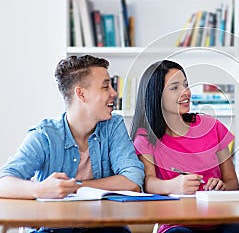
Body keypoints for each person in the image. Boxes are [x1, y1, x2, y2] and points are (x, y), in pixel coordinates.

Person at [0, 55, 145, 233]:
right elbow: (3, 182)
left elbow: (133, 180)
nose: (114, 93)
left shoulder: (113, 126)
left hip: (104, 227)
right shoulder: (45, 135)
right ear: (81, 94)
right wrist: (41, 190)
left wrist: (74, 187)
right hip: (53, 228)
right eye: (105, 86)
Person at [131, 60, 239, 233]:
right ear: (156, 96)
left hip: (220, 219)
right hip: (177, 223)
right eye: (174, 87)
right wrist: (174, 186)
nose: (185, 92)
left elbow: (233, 182)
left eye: (186, 85)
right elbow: (148, 182)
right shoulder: (145, 138)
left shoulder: (212, 126)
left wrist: (221, 186)